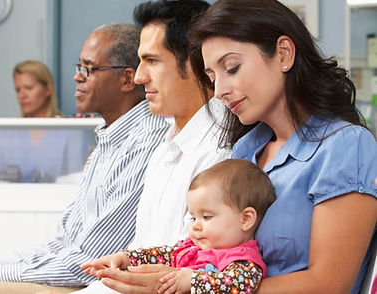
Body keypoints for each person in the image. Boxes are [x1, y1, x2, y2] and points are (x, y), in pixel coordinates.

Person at [0, 23, 169, 294]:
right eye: (78, 68)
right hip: (80, 273)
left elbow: (91, 260)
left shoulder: (146, 141)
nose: (77, 77)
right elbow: (64, 240)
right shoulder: (106, 144)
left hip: (97, 281)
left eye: (88, 68)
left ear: (127, 80)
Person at [186, 0, 377, 293]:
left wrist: (201, 286)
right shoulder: (244, 152)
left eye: (232, 68)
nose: (221, 90)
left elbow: (328, 284)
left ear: (284, 54)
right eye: (213, 78)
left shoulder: (345, 147)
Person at [72, 1, 231, 293]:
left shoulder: (220, 153)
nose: (138, 76)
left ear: (197, 62)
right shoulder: (165, 146)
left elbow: (190, 272)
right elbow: (142, 258)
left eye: (152, 61)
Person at [82, 159, 276, 294]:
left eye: (206, 216)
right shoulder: (194, 247)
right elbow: (163, 253)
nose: (196, 226)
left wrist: (190, 281)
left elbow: (240, 284)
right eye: (193, 218)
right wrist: (125, 258)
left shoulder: (243, 260)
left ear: (246, 219)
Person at [0, 60, 91, 183]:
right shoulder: (9, 133)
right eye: (18, 90)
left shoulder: (71, 132)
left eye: (29, 88)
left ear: (48, 89)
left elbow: (76, 182)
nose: (22, 95)